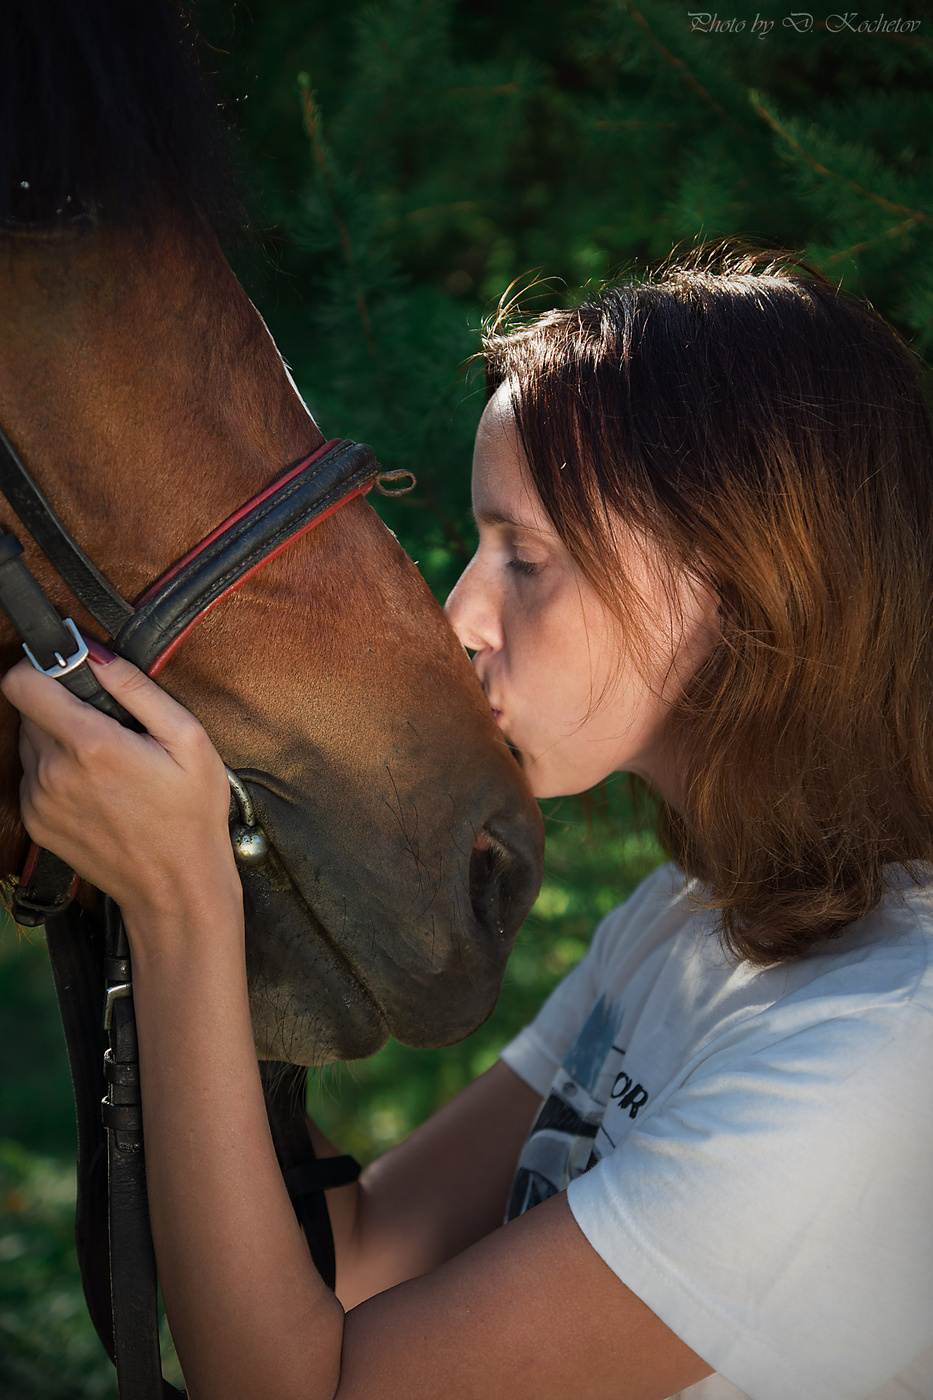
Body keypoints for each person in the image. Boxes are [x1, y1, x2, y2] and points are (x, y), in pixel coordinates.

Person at [4, 244, 933, 1400]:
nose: (462, 617)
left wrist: (179, 902)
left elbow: (299, 1385)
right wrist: (217, 875)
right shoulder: (687, 924)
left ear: (742, 582)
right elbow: (357, 1256)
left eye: (526, 559)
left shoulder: (881, 1060)